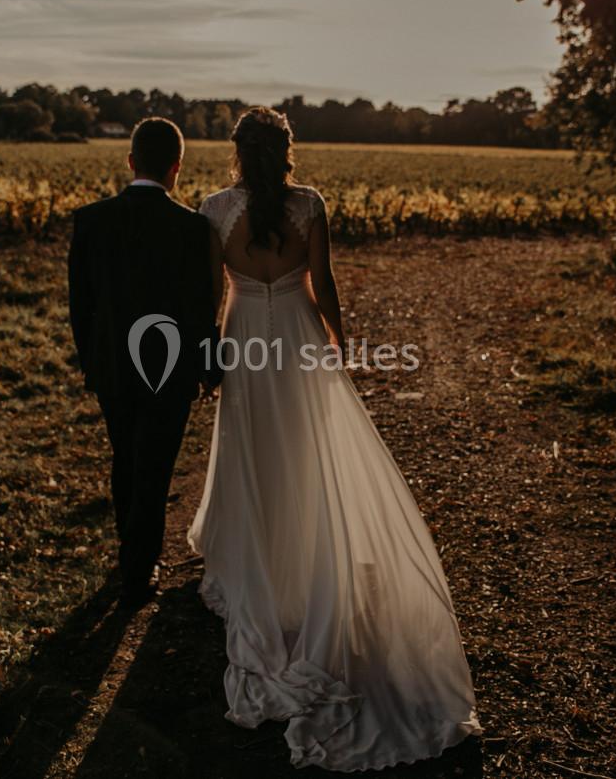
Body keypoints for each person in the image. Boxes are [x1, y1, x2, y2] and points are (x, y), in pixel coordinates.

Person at [187, 107, 482, 770]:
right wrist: (339, 351)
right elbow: (323, 286)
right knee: (306, 457)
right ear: (287, 149)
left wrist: (211, 357)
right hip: (298, 339)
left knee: (253, 456)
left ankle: (263, 568)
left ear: (237, 152)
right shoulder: (311, 205)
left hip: (244, 342)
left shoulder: (215, 210)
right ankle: (305, 565)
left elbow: (210, 294)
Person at [68, 117, 218, 608]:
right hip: (170, 368)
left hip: (111, 365)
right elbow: (200, 308)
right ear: (177, 167)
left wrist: (91, 360)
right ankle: (139, 566)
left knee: (125, 457)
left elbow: (80, 303)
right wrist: (209, 366)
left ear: (130, 161)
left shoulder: (91, 220)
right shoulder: (192, 228)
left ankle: (132, 555)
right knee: (154, 466)